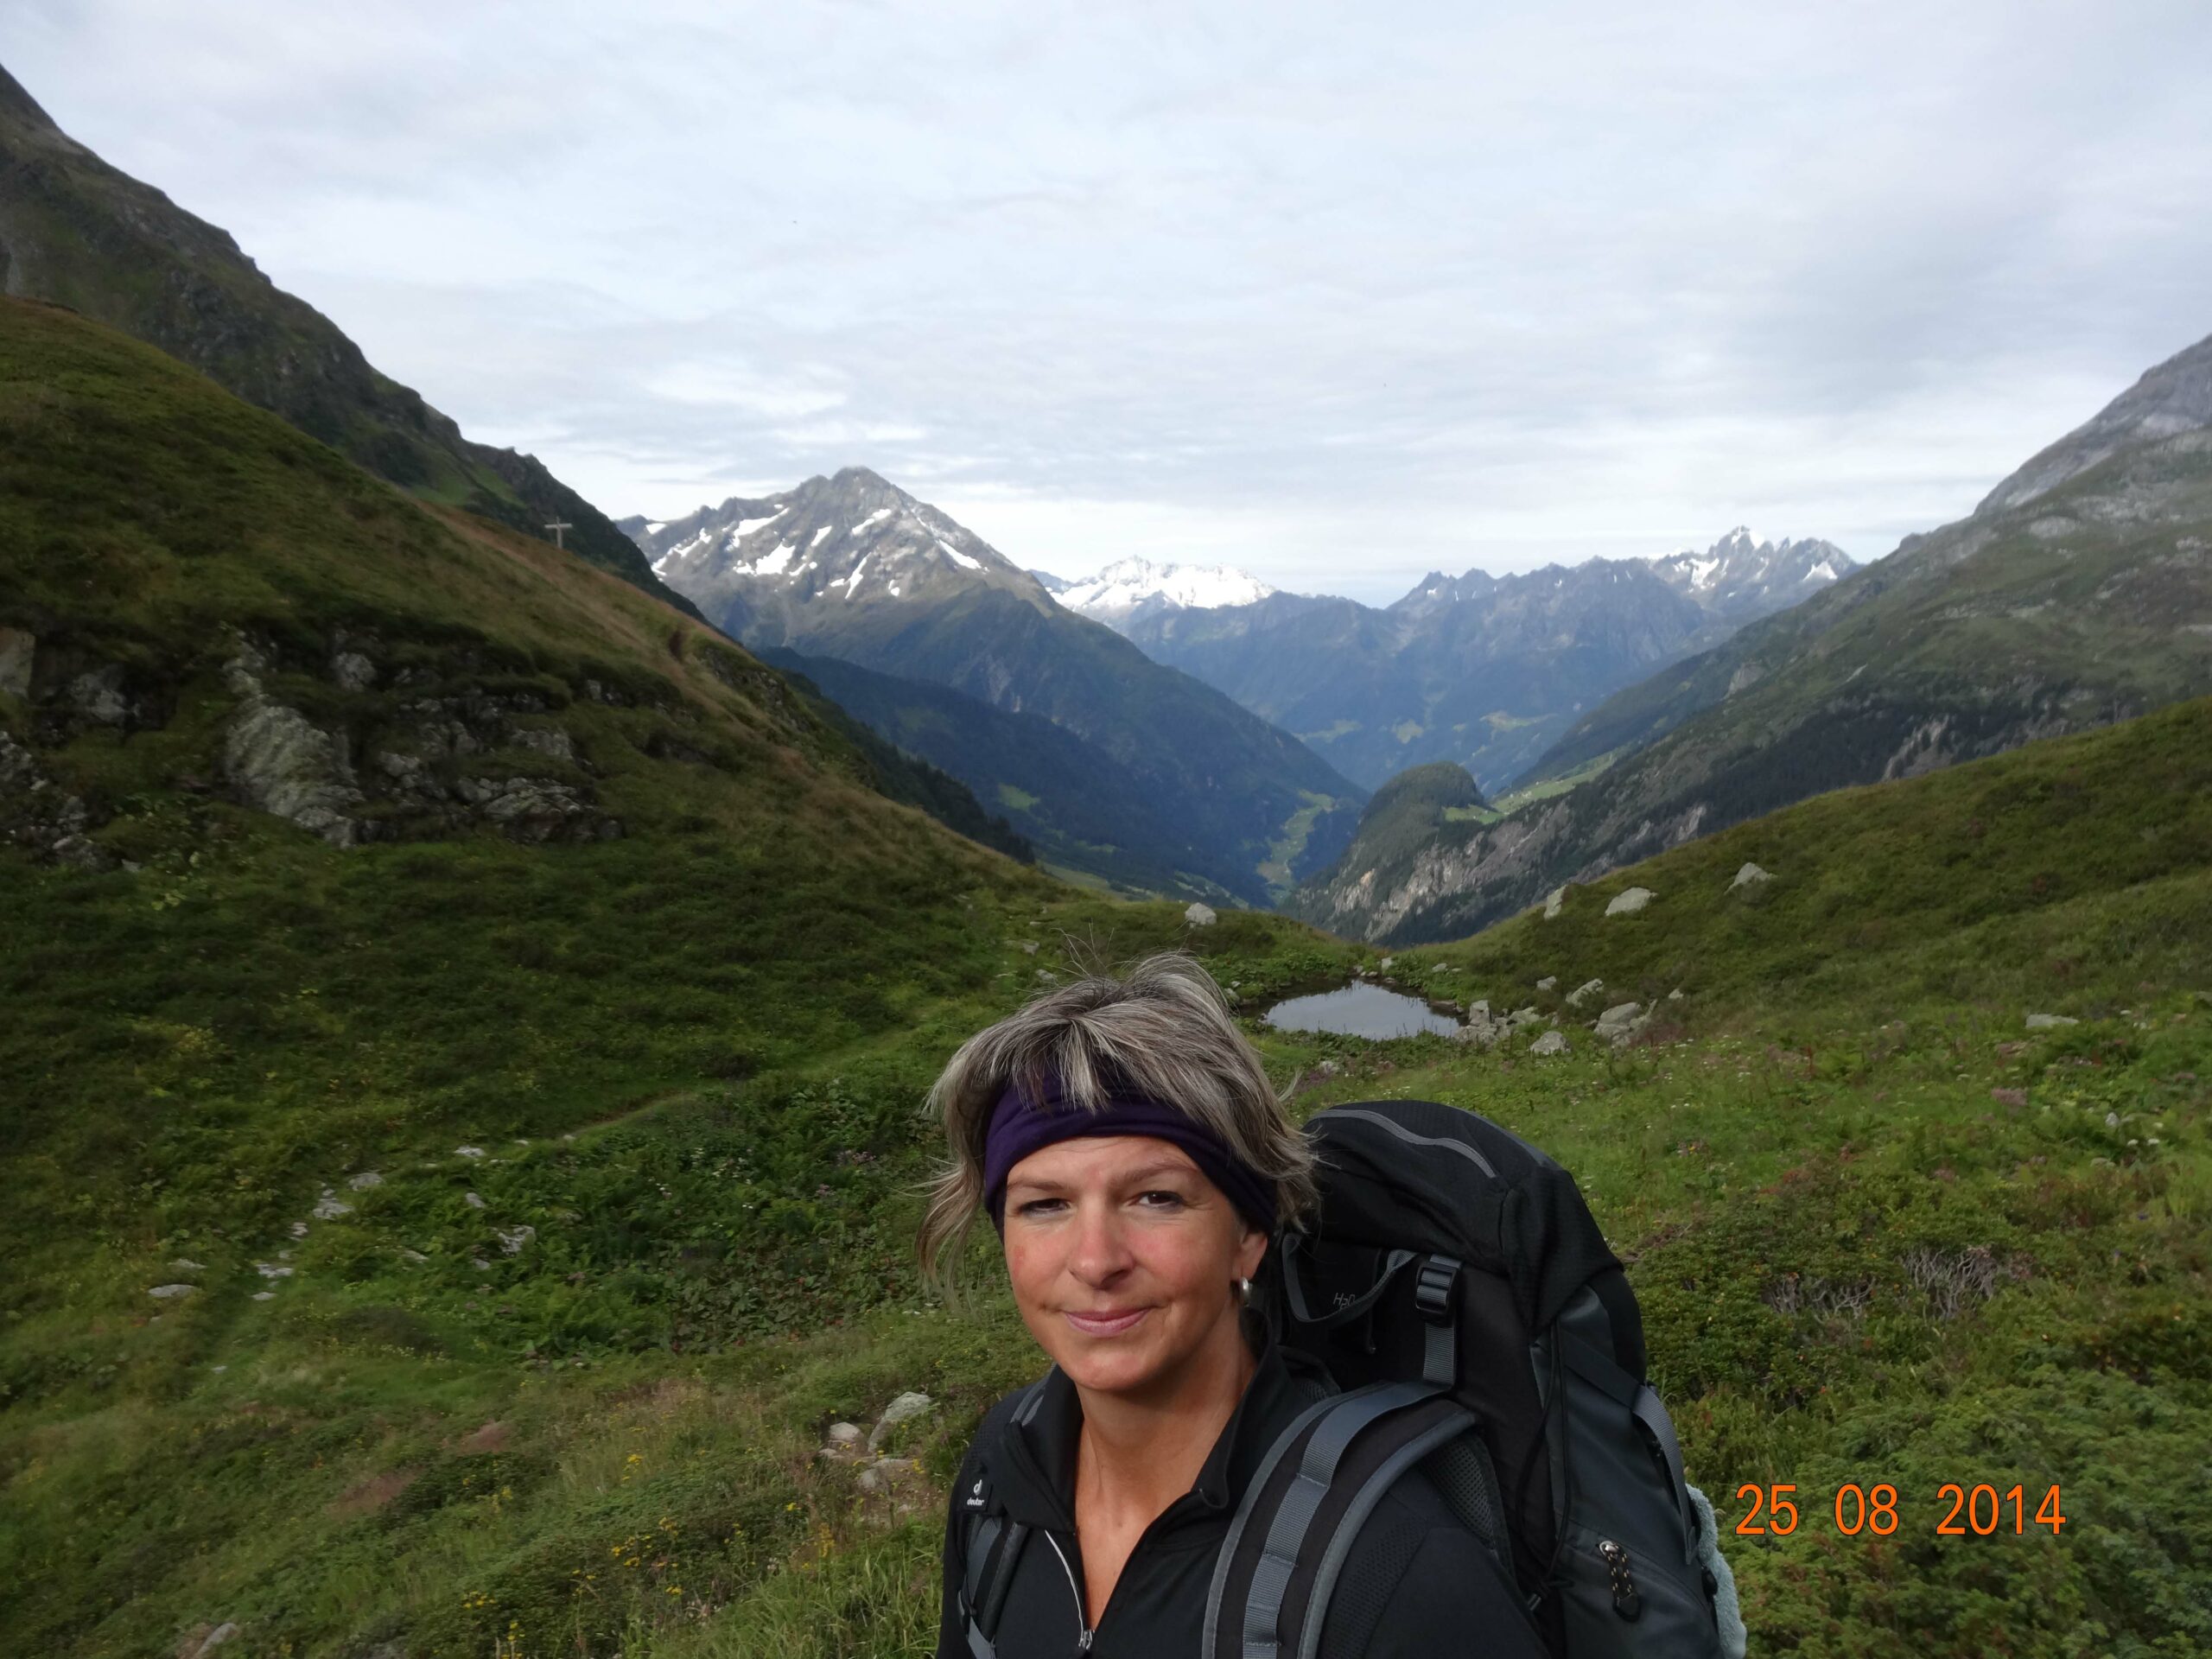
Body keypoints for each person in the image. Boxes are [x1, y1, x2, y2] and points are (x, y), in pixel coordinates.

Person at [922, 953, 1548, 1659]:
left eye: (1156, 1197)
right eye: (1044, 1205)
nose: (1095, 1261)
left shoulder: (1398, 1576)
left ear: (1250, 1236)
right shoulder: (1001, 1478)